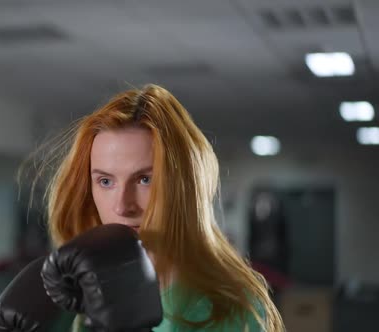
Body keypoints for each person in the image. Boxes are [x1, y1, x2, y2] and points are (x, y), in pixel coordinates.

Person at [29, 84, 285, 331]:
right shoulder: (76, 294)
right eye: (105, 181)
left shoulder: (226, 307)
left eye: (145, 179)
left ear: (184, 186)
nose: (122, 206)